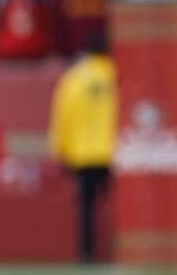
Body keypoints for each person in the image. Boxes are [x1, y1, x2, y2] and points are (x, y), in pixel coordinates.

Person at [48, 33, 116, 264]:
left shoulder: (74, 78)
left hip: (83, 152)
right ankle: (118, 250)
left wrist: (61, 149)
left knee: (86, 209)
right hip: (113, 152)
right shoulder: (119, 75)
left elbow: (63, 115)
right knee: (118, 207)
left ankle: (87, 254)